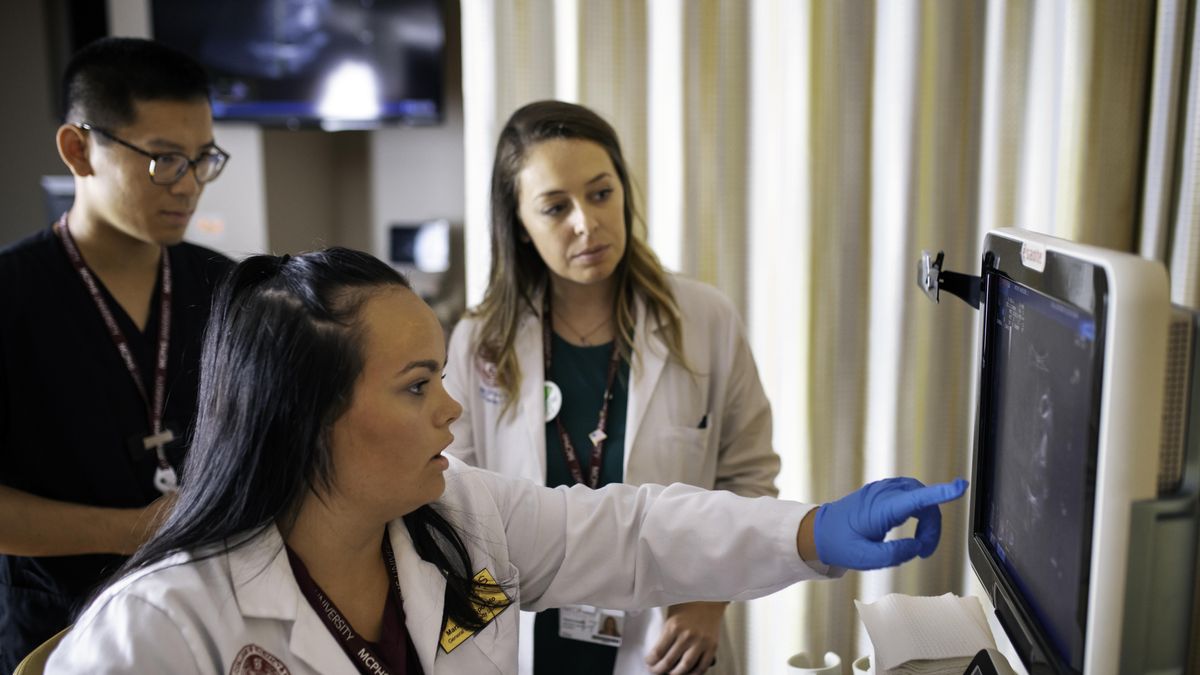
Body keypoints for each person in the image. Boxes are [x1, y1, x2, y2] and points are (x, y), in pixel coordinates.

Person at [43, 247, 967, 674]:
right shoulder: (160, 633)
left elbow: (631, 529)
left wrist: (812, 530)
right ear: (306, 421)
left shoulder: (458, 520)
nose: (451, 408)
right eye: (415, 388)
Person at [443, 99, 780, 675]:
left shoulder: (703, 320)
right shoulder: (481, 342)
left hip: (666, 639)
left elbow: (748, 477)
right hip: (524, 636)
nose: (586, 222)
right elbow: (457, 509)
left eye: (601, 193)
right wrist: (461, 646)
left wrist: (709, 599)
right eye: (555, 207)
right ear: (519, 224)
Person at [0, 37, 233, 669]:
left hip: (209, 620)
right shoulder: (13, 295)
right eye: (163, 159)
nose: (188, 186)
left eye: (202, 158)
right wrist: (130, 531)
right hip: (57, 627)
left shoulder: (227, 288)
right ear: (79, 150)